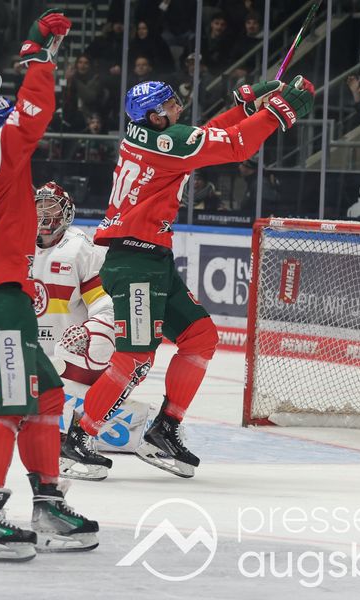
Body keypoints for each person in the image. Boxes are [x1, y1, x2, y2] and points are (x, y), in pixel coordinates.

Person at [79, 76, 314, 478]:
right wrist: (276, 112)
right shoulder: (167, 141)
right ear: (155, 116)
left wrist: (245, 109)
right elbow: (236, 145)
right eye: (171, 103)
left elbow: (205, 135)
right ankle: (79, 437)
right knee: (134, 357)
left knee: (200, 335)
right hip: (135, 263)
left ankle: (164, 429)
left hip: (150, 259)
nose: (178, 106)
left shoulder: (157, 136)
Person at [0, 10, 98, 562]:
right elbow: (35, 111)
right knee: (6, 407)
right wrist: (37, 55)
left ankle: (48, 504)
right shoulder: (3, 152)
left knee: (47, 395)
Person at [29, 181, 118, 482]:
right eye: (39, 207)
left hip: (71, 351)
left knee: (102, 344)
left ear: (66, 213)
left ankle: (81, 431)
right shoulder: (19, 244)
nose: (44, 215)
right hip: (34, 354)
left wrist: (89, 330)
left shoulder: (79, 248)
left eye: (51, 208)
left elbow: (103, 305)